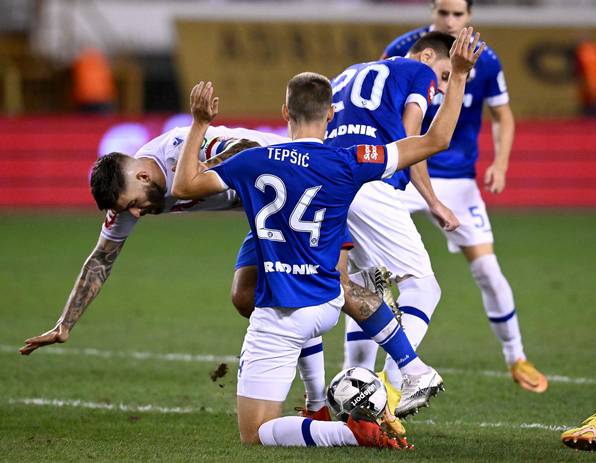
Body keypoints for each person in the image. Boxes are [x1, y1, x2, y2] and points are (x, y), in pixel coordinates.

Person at [171, 27, 482, 448]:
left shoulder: (253, 161)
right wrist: (459, 76)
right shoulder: (352, 159)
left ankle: (347, 429)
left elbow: (184, 186)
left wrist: (199, 123)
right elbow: (434, 139)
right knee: (362, 287)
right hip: (328, 303)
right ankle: (406, 367)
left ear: (285, 111)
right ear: (331, 114)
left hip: (279, 313)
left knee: (255, 433)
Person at [382, 0, 547, 393]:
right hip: (406, 170)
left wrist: (501, 164)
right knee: (371, 275)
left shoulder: (485, 60)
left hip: (457, 179)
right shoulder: (405, 48)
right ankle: (365, 374)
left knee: (488, 270)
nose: (451, 21)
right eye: (444, 13)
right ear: (433, 12)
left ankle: (516, 356)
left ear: (469, 16)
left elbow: (502, 115)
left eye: (458, 14)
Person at [18, 126, 286, 356]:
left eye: (135, 204)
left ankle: (310, 386)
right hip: (268, 215)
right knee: (244, 297)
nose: (135, 213)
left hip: (297, 183)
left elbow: (250, 148)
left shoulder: (179, 149)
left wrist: (202, 173)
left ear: (143, 176)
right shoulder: (126, 198)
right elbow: (101, 259)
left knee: (300, 292)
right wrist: (65, 324)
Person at [327, 32, 459, 418]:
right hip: (372, 184)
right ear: (427, 55)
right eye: (446, 75)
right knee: (423, 286)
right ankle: (401, 379)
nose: (443, 85)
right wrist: (432, 200)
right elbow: (412, 137)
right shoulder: (417, 72)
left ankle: (357, 404)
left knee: (364, 291)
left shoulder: (348, 73)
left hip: (332, 183)